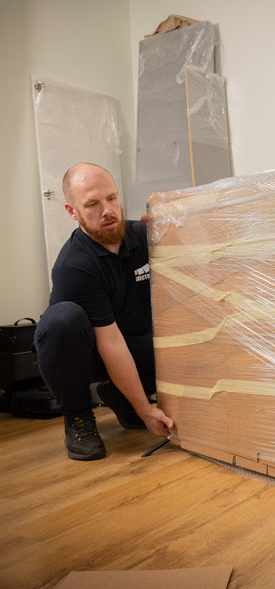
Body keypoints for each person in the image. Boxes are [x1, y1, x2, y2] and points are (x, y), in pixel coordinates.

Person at [34, 163, 174, 460]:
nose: (107, 210)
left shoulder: (143, 235)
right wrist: (146, 410)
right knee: (63, 320)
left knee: (173, 336)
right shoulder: (74, 266)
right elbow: (110, 343)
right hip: (86, 353)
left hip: (130, 339)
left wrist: (173, 231)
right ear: (72, 212)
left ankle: (120, 394)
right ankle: (77, 414)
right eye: (93, 204)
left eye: (111, 198)